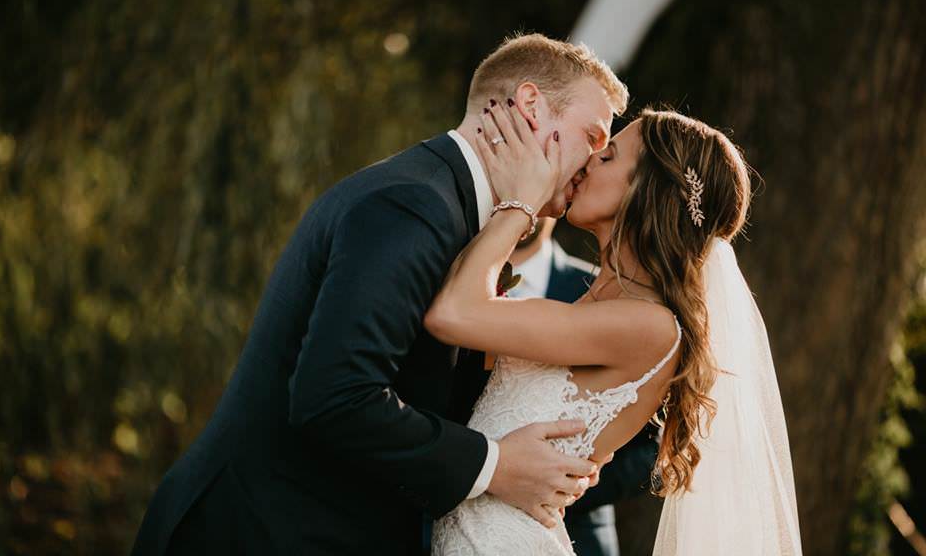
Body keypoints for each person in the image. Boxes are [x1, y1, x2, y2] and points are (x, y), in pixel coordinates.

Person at [129, 33, 629, 556]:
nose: (594, 162)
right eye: (591, 136)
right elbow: (335, 396)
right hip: (254, 532)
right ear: (530, 107)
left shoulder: (449, 207)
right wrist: (496, 465)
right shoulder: (413, 206)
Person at [428, 105, 802, 554]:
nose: (588, 161)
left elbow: (451, 314)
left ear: (647, 192)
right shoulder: (603, 303)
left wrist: (524, 200)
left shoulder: (649, 325)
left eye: (608, 157)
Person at [505, 218, 659, 556]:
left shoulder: (604, 293)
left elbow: (651, 447)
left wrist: (564, 482)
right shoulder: (454, 283)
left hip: (575, 536)